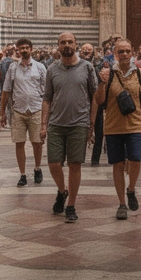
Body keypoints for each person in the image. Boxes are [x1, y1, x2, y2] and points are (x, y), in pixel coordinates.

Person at [40, 31, 97, 222]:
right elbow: (47, 98)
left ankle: (71, 205)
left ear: (76, 44)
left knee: (74, 164)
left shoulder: (87, 67)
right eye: (63, 42)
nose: (66, 45)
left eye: (70, 42)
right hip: (56, 123)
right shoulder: (52, 69)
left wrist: (92, 123)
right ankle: (62, 190)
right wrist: (43, 124)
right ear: (58, 45)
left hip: (79, 124)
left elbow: (94, 97)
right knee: (54, 163)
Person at [96, 38, 141, 219]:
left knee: (135, 159)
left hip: (134, 124)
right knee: (117, 164)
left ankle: (131, 189)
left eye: (127, 51)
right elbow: (99, 101)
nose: (124, 54)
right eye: (120, 52)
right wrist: (102, 82)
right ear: (114, 54)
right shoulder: (107, 74)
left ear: (132, 52)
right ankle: (121, 203)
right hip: (113, 126)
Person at [0, 38, 47, 186]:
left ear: (31, 49)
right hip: (18, 111)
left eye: (26, 48)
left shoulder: (40, 67)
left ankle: (37, 168)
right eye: (21, 48)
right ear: (17, 50)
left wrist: (47, 115)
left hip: (36, 109)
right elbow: (6, 91)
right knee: (19, 143)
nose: (24, 50)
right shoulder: (13, 68)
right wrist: (2, 113)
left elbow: (48, 92)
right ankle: (23, 174)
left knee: (37, 142)